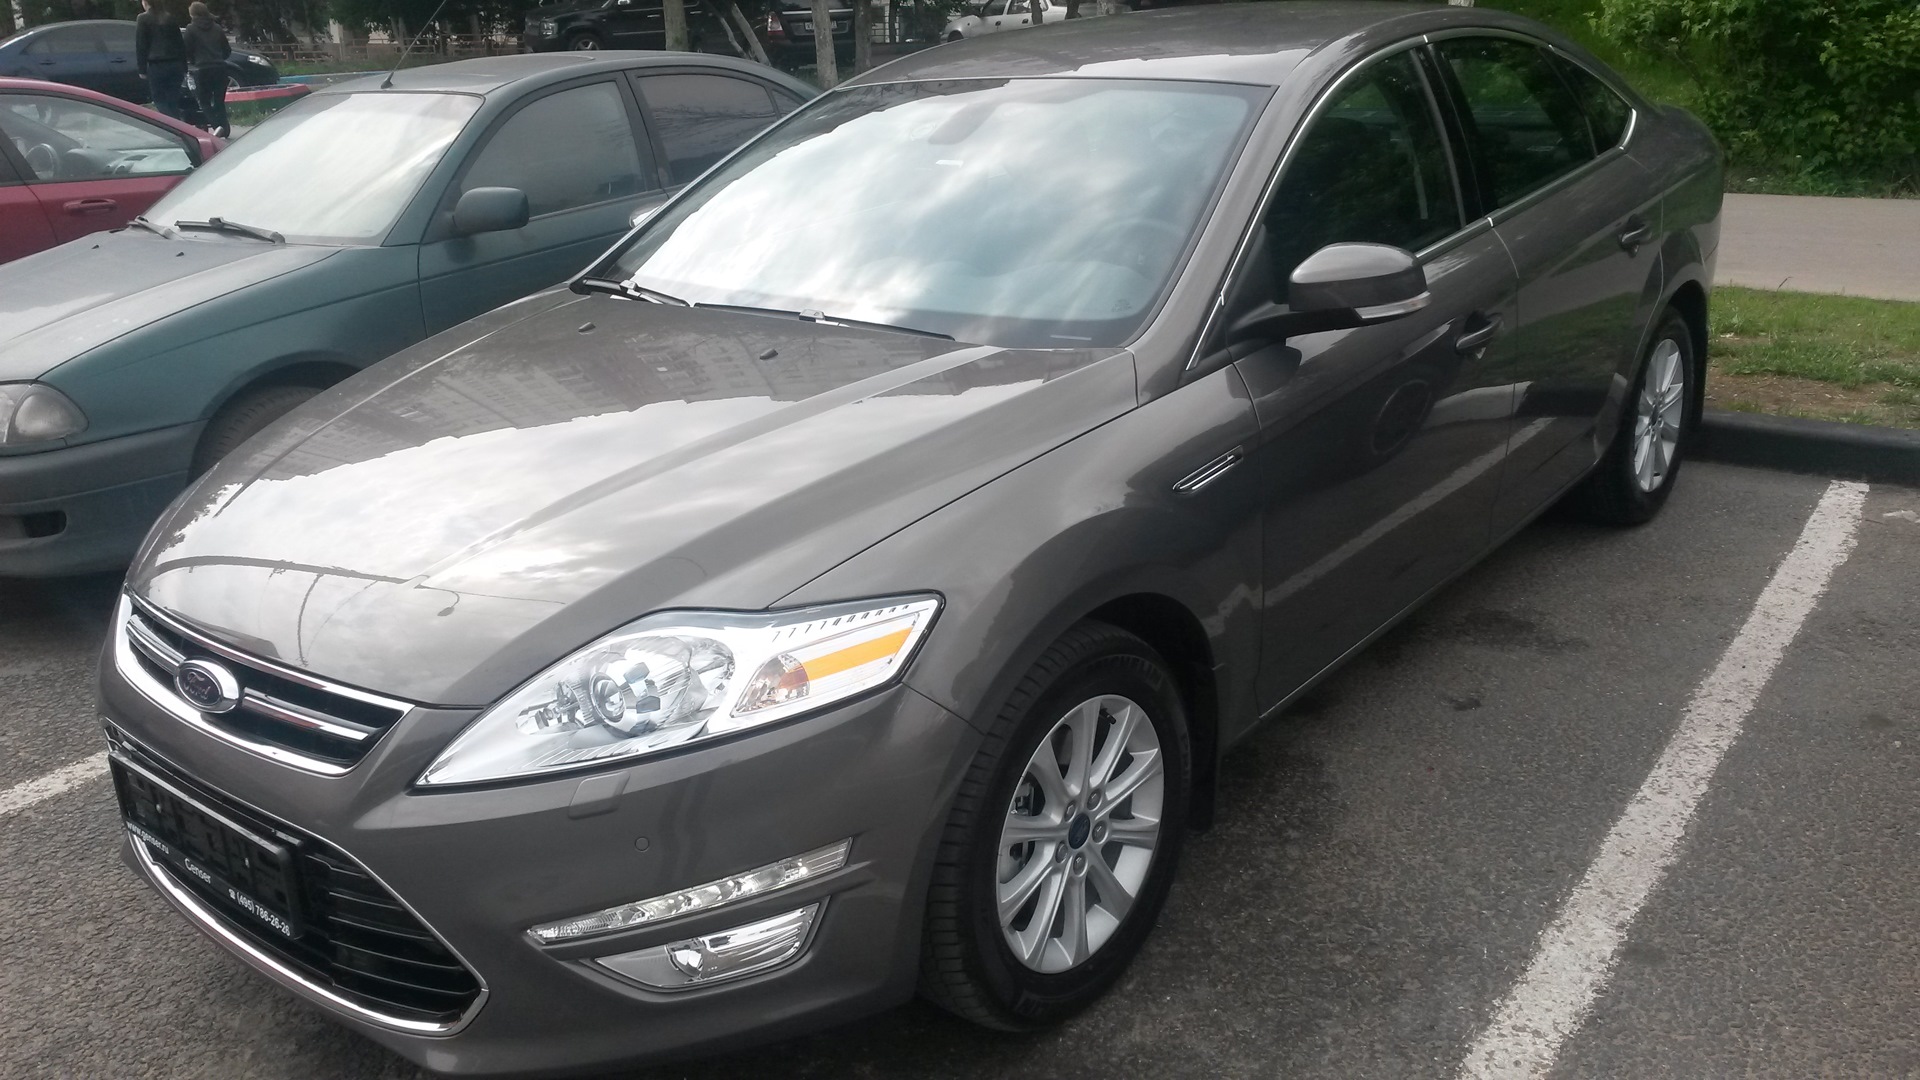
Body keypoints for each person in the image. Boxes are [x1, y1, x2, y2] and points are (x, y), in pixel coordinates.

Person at [182, 2, 232, 137]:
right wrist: (219, 58)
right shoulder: (217, 28)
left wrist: (192, 61)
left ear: (192, 14)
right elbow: (227, 49)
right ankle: (225, 128)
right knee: (219, 100)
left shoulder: (191, 29)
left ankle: (217, 127)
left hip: (202, 69)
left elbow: (187, 50)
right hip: (220, 68)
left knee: (204, 101)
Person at [134, 0, 189, 122]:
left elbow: (141, 45)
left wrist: (142, 69)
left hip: (157, 65)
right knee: (173, 100)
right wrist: (184, 67)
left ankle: (171, 124)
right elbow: (180, 43)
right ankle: (176, 123)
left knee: (159, 99)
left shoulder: (143, 18)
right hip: (175, 64)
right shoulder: (169, 17)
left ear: (146, 3)